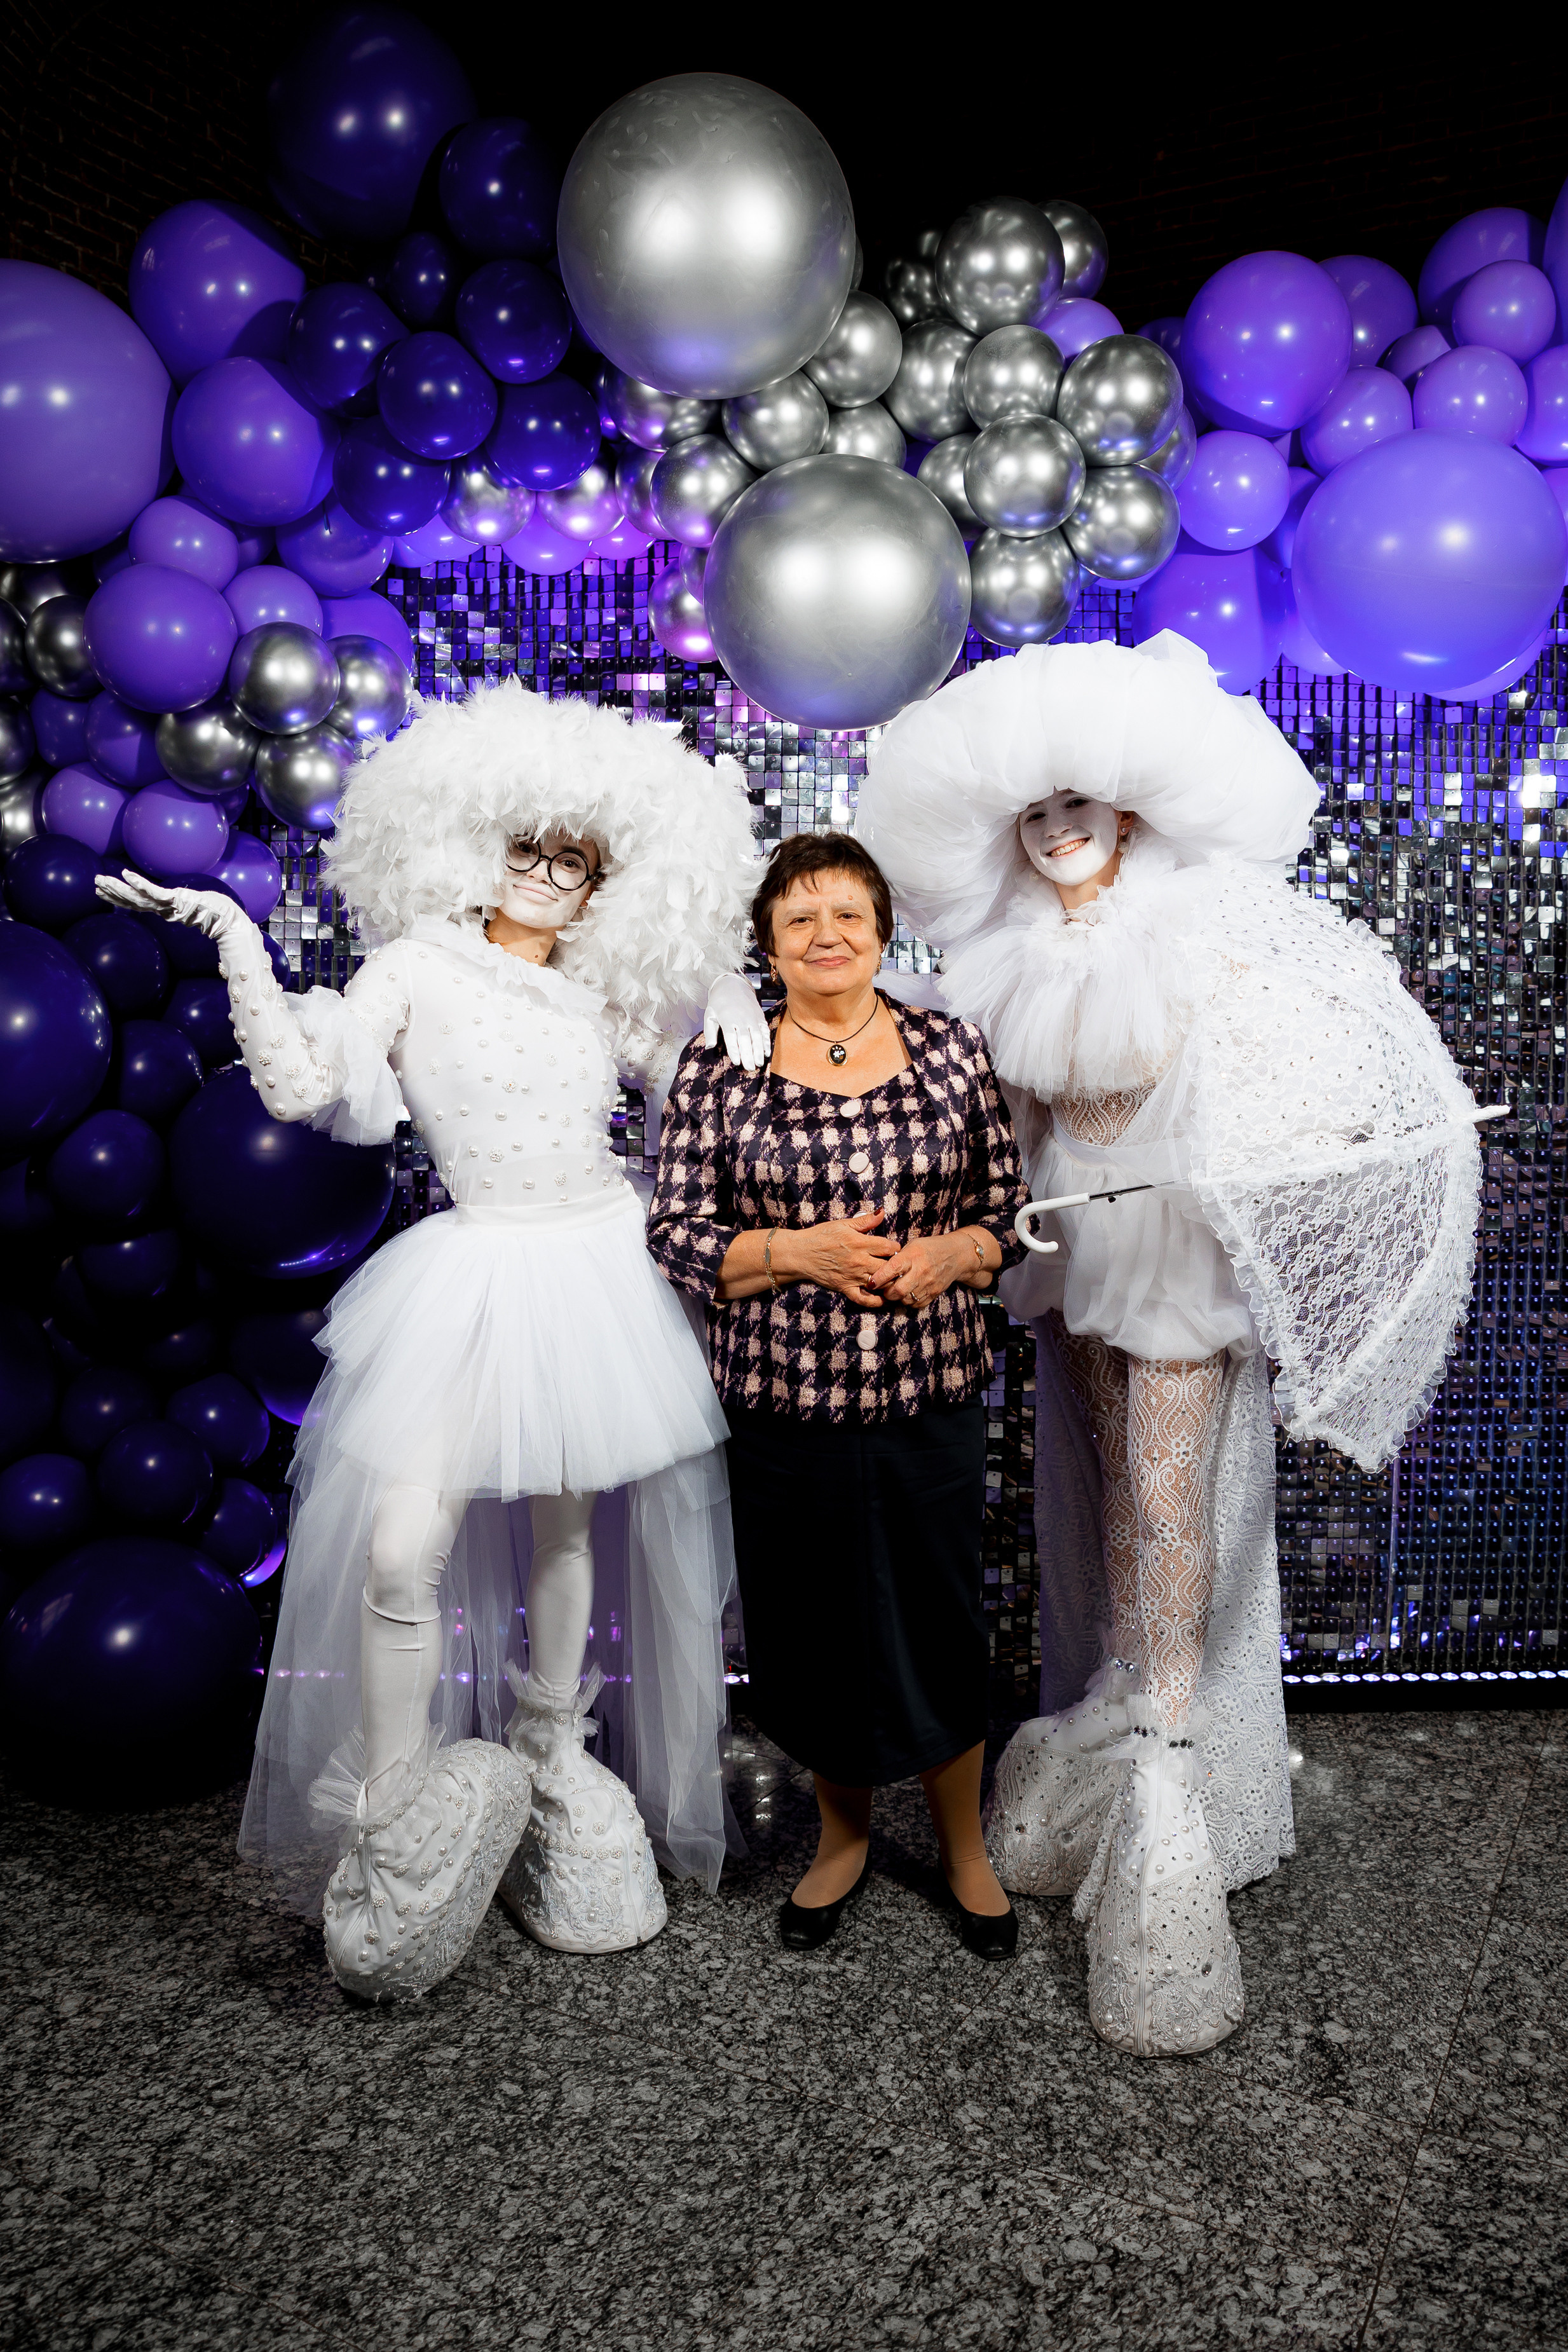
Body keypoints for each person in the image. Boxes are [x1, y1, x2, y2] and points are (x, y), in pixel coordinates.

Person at [856, 632, 1482, 2054]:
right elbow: (1004, 1127)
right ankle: (1126, 1703)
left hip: (1181, 1252)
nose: (1062, 825)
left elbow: (1296, 1073)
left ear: (1131, 809)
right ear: (1013, 830)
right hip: (1074, 1254)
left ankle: (1170, 1755)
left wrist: (1318, 1136)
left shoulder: (1211, 933)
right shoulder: (1004, 953)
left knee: (1164, 1491)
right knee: (1100, 1489)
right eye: (1037, 810)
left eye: (1083, 801)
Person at [98, 679, 769, 2002]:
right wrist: (235, 933)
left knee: (573, 1529)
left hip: (591, 1260)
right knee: (407, 1541)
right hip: (469, 1271)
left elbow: (696, 1085)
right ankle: (395, 1801)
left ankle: (549, 1743)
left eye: (576, 859)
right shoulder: (413, 965)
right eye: (529, 843)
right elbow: (306, 1084)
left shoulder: (598, 995)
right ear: (477, 840)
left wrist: (734, 1001)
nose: (547, 871)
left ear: (604, 888)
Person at [646, 831, 1031, 1960]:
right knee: (812, 1628)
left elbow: (1009, 1211)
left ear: (882, 932)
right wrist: (793, 1253)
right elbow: (674, 1232)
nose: (826, 936)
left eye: (848, 915)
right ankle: (842, 1840)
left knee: (939, 1619)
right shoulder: (721, 1059)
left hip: (929, 1390)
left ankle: (965, 1849)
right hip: (782, 1404)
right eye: (801, 917)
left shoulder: (954, 1050)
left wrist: (955, 1254)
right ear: (768, 939)